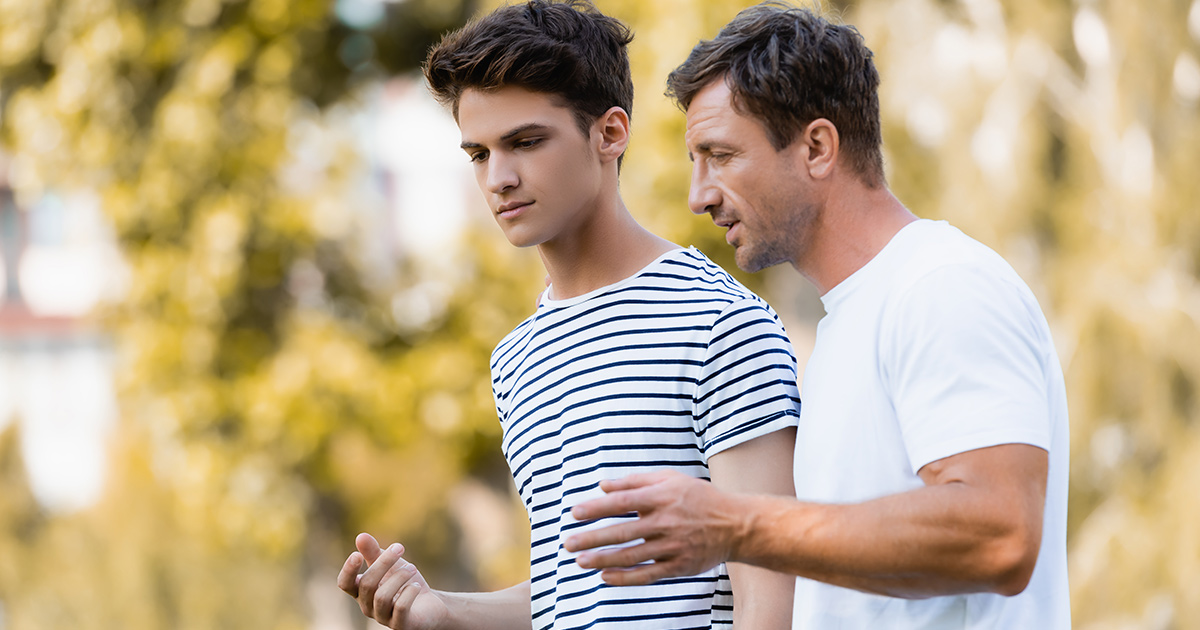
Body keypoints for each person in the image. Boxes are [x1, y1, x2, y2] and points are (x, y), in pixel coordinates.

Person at [564, 3, 1071, 629]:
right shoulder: (843, 328)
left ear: (817, 147)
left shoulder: (942, 285)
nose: (699, 195)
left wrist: (735, 523)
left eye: (720, 155)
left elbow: (1000, 535)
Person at [335, 2, 801, 629]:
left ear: (610, 133)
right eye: (478, 153)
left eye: (525, 142)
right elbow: (570, 595)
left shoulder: (715, 321)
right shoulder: (516, 357)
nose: (499, 177)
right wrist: (443, 611)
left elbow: (773, 589)